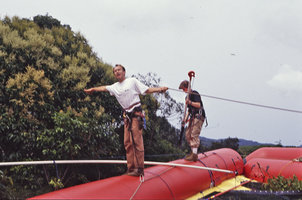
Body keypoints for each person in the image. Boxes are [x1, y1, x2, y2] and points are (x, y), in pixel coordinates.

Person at [84, 64, 168, 176]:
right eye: (115, 71)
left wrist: (159, 89)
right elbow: (104, 88)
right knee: (127, 143)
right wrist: (93, 89)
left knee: (137, 141)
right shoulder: (114, 87)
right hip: (127, 116)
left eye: (119, 70)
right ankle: (131, 168)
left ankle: (139, 169)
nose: (117, 72)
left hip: (136, 114)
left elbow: (146, 90)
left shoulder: (132, 81)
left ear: (124, 72)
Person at [179, 80, 206, 162]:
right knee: (188, 134)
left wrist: (190, 102)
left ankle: (194, 155)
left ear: (187, 88)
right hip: (193, 116)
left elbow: (198, 105)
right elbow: (189, 111)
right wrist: (185, 119)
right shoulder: (187, 97)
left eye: (184, 89)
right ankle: (192, 153)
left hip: (199, 116)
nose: (184, 91)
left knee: (194, 134)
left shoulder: (195, 93)